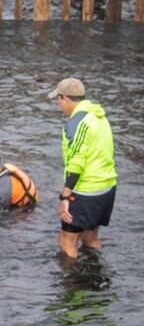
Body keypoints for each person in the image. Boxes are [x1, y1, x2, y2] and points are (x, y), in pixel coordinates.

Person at [49, 78, 117, 259]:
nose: (58, 104)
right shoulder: (99, 116)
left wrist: (65, 196)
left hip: (86, 191)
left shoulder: (75, 124)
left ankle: (74, 287)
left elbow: (76, 162)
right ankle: (95, 278)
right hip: (107, 187)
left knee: (67, 242)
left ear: (65, 97)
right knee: (91, 238)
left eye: (58, 99)